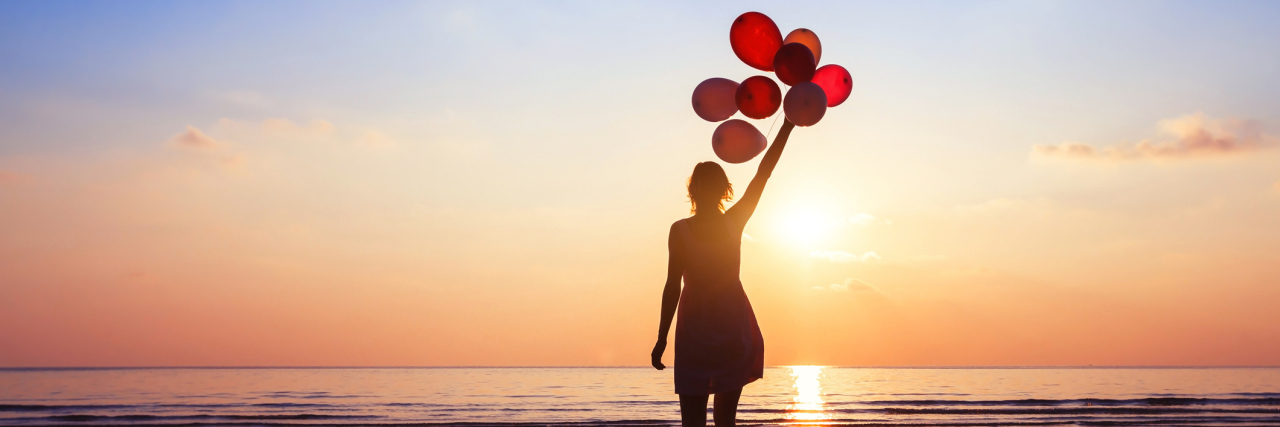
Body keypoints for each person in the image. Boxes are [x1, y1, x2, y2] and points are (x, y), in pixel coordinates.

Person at [651, 120, 796, 427]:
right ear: (695, 189)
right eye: (702, 182)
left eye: (712, 181)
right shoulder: (680, 230)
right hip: (695, 331)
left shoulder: (735, 221)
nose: (706, 188)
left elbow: (764, 173)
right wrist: (661, 337)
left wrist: (787, 126)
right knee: (693, 421)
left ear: (722, 188)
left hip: (732, 327)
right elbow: (671, 286)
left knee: (725, 421)